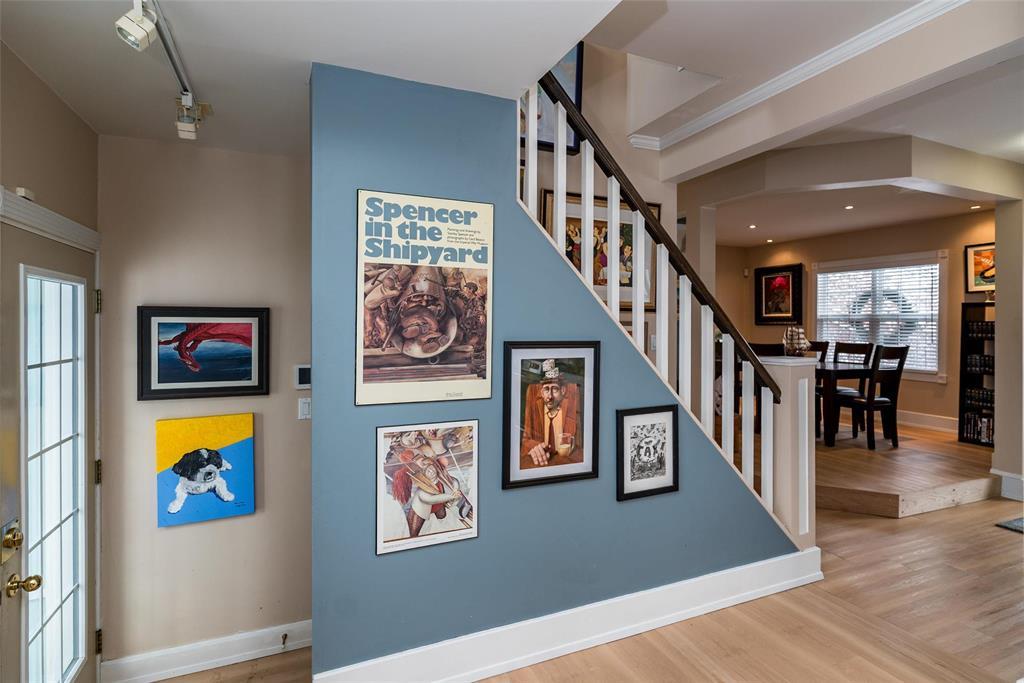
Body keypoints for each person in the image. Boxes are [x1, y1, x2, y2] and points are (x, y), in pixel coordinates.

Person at [519, 359, 583, 468]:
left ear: (563, 391)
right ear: (541, 392)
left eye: (555, 389)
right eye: (546, 390)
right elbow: (526, 441)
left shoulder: (571, 401)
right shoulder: (533, 398)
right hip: (540, 465)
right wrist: (536, 447)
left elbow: (579, 447)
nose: (550, 396)